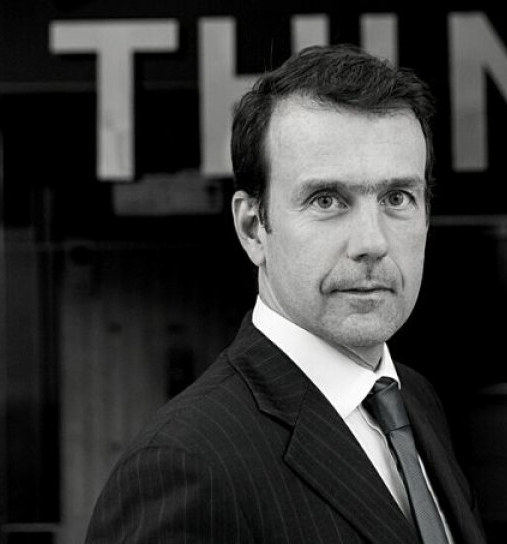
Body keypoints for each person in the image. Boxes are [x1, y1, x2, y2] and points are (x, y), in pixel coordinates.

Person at [85, 44, 486, 544]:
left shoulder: (414, 399)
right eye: (327, 200)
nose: (372, 243)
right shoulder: (184, 464)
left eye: (397, 198)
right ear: (253, 228)